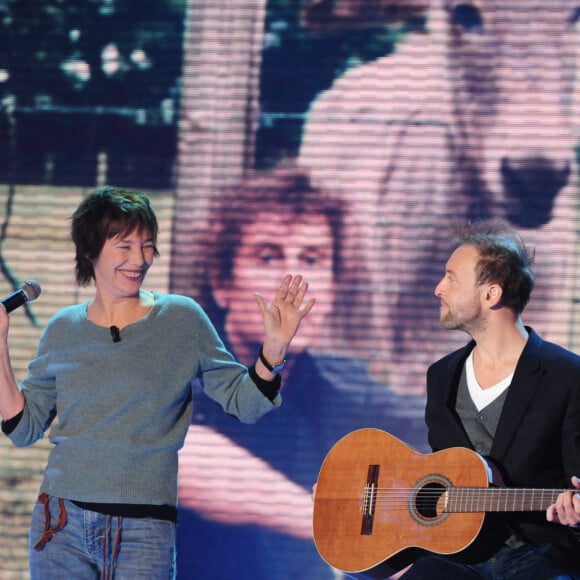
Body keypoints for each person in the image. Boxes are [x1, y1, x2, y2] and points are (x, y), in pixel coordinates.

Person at [0, 185, 315, 579]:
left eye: (147, 246)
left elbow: (245, 403)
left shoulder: (182, 318)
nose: (140, 259)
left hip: (143, 528)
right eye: (125, 246)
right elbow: (24, 428)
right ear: (90, 251)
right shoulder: (63, 328)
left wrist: (272, 351)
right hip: (60, 523)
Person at [174, 163, 428, 579]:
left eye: (312, 258)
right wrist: (329, 519)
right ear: (222, 282)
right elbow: (177, 454)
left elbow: (445, 432)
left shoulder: (344, 388)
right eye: (268, 255)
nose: (293, 281)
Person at [401, 219, 580, 579]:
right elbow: (438, 475)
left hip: (539, 556)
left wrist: (575, 518)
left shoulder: (567, 375)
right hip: (457, 558)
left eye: (451, 278)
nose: (438, 289)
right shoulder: (441, 376)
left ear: (490, 294)